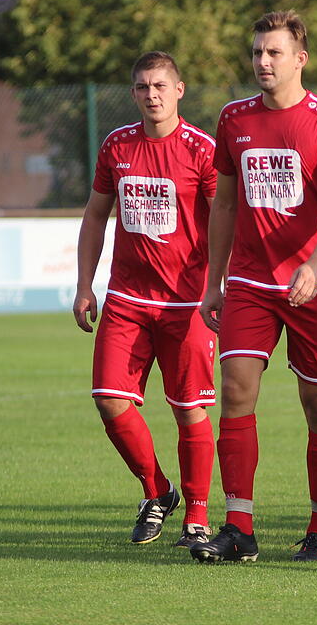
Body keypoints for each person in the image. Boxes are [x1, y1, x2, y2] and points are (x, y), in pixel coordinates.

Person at [192, 10, 317, 563]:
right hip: (249, 282)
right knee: (236, 391)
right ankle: (239, 528)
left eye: (274, 52)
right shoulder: (234, 118)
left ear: (300, 59)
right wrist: (213, 282)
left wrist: (315, 264)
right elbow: (224, 205)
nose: (262, 62)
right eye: (257, 52)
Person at [73, 51, 217, 548]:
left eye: (159, 86)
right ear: (133, 93)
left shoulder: (202, 149)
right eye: (141, 87)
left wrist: (219, 287)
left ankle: (196, 517)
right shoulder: (117, 145)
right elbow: (96, 215)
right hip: (127, 299)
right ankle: (158, 491)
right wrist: (84, 285)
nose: (151, 95)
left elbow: (225, 221)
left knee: (189, 409)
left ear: (179, 90)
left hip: (188, 302)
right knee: (109, 400)